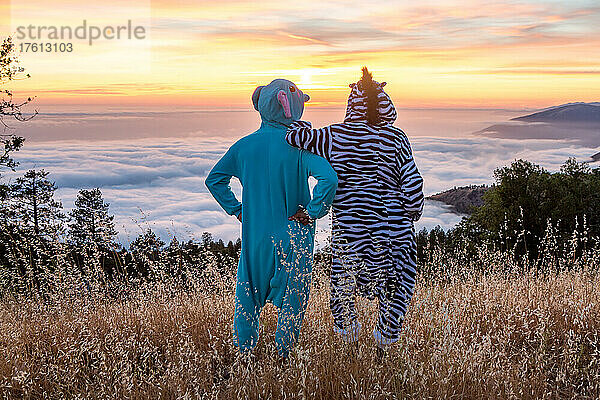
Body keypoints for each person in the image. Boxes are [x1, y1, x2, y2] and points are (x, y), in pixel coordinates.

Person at [285, 68, 424, 353]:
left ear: (352, 104)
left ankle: (348, 340)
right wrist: (413, 212)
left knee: (343, 285)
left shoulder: (333, 136)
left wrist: (297, 124)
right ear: (386, 104)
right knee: (398, 285)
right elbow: (412, 182)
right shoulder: (397, 138)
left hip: (351, 232)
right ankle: (385, 342)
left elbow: (296, 138)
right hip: (393, 232)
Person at [205, 79, 338, 358]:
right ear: (288, 105)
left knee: (247, 298)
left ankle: (244, 354)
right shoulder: (301, 147)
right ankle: (283, 356)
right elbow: (328, 178)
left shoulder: (243, 146)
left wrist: (238, 210)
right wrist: (314, 211)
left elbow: (215, 180)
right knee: (294, 298)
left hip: (256, 236)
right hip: (295, 234)